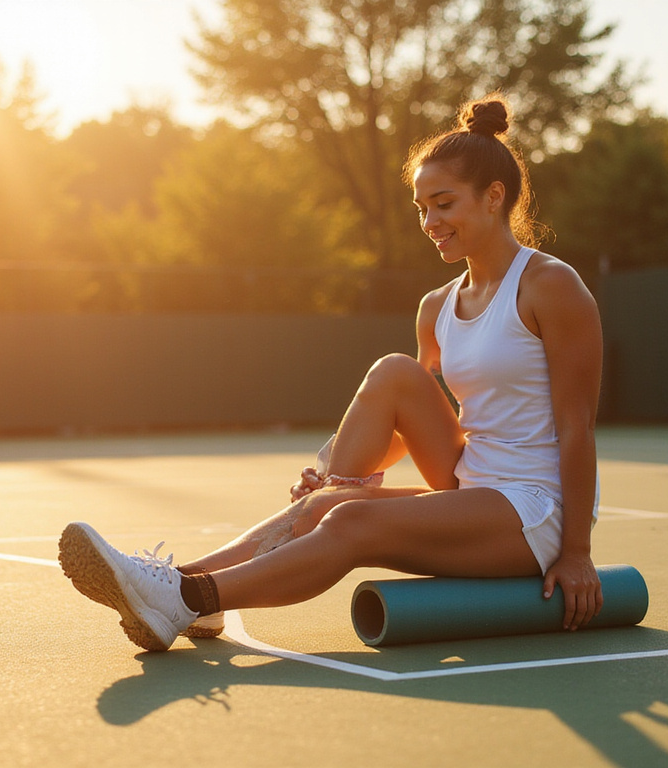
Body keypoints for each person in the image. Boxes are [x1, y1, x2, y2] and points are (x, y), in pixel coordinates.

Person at [58, 94, 604, 653]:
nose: (430, 222)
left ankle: (189, 597)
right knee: (379, 403)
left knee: (345, 524)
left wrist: (577, 551)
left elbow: (578, 426)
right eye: (421, 208)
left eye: (443, 204)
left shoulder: (551, 287)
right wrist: (335, 480)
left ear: (494, 198)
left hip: (535, 510)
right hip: (472, 487)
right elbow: (419, 428)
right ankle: (177, 584)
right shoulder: (437, 306)